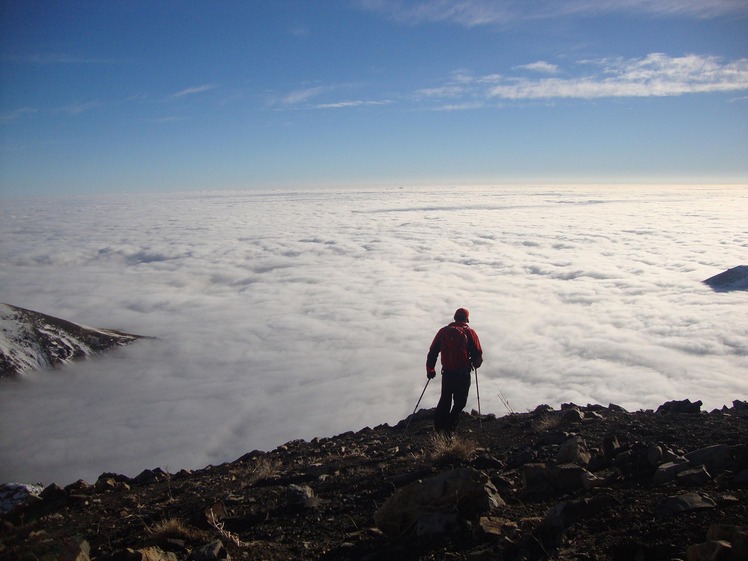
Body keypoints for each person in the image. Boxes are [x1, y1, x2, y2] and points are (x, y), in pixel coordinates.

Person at [426, 308, 483, 433]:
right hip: (463, 373)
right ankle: (449, 429)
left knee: (445, 400)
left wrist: (430, 370)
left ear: (455, 317)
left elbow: (433, 351)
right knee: (460, 402)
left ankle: (439, 430)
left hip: (447, 373)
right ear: (466, 319)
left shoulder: (443, 331)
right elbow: (478, 353)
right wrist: (475, 363)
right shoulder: (470, 332)